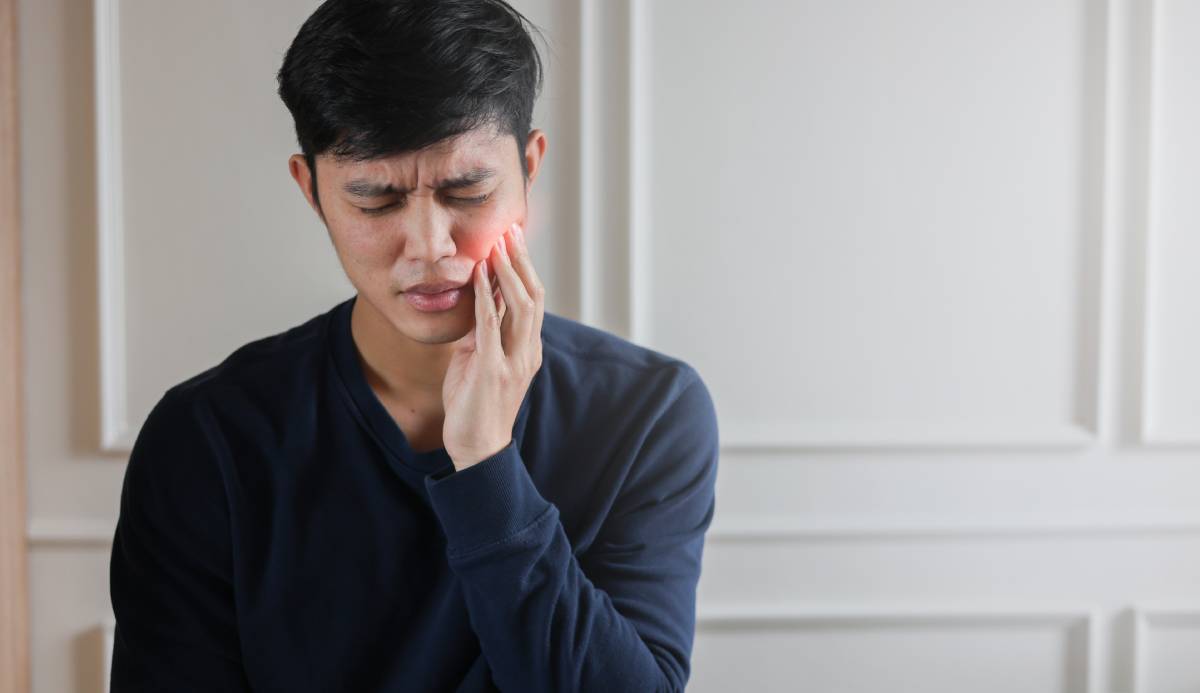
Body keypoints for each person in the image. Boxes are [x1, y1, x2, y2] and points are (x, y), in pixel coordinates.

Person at [108, 1, 719, 690]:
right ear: (311, 189)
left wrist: (486, 461)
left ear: (528, 169)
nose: (430, 246)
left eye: (469, 191)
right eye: (375, 200)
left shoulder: (649, 414)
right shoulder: (206, 440)